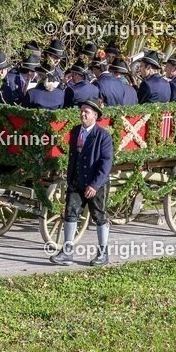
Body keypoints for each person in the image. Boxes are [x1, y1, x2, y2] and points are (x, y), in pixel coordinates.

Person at [50, 99, 114, 266]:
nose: (83, 114)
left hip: (96, 184)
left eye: (87, 112)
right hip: (77, 180)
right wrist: (70, 178)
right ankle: (67, 252)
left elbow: (106, 162)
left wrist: (95, 185)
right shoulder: (75, 131)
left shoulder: (103, 136)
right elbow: (73, 158)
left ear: (95, 116)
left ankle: (103, 253)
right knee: (70, 214)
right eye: (82, 111)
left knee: (99, 216)